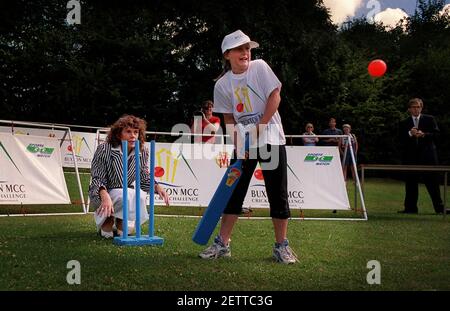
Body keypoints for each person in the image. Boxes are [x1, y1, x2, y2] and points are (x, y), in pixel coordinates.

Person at [199, 29, 297, 264]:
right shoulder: (222, 85)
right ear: (227, 54)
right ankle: (222, 244)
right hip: (244, 143)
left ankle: (281, 246)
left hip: (271, 137)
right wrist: (239, 145)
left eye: (247, 48)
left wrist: (261, 127)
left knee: (277, 193)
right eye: (239, 49)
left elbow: (275, 97)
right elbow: (230, 120)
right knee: (233, 193)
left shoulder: (260, 67)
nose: (245, 53)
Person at [89, 115, 170, 238]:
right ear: (118, 134)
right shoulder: (104, 149)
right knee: (107, 233)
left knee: (140, 195)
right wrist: (104, 195)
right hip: (104, 191)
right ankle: (108, 219)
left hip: (126, 191)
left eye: (136, 132)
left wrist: (156, 186)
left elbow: (142, 176)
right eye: (128, 132)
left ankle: (122, 220)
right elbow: (97, 177)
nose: (133, 135)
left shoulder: (142, 151)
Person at [398, 98, 448, 214]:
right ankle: (410, 209)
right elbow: (399, 140)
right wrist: (410, 133)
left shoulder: (430, 119)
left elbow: (437, 135)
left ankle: (439, 209)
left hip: (428, 157)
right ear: (409, 109)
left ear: (421, 108)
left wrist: (424, 135)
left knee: (433, 183)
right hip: (411, 158)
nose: (416, 109)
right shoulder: (404, 123)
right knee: (411, 184)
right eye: (414, 107)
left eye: (418, 107)